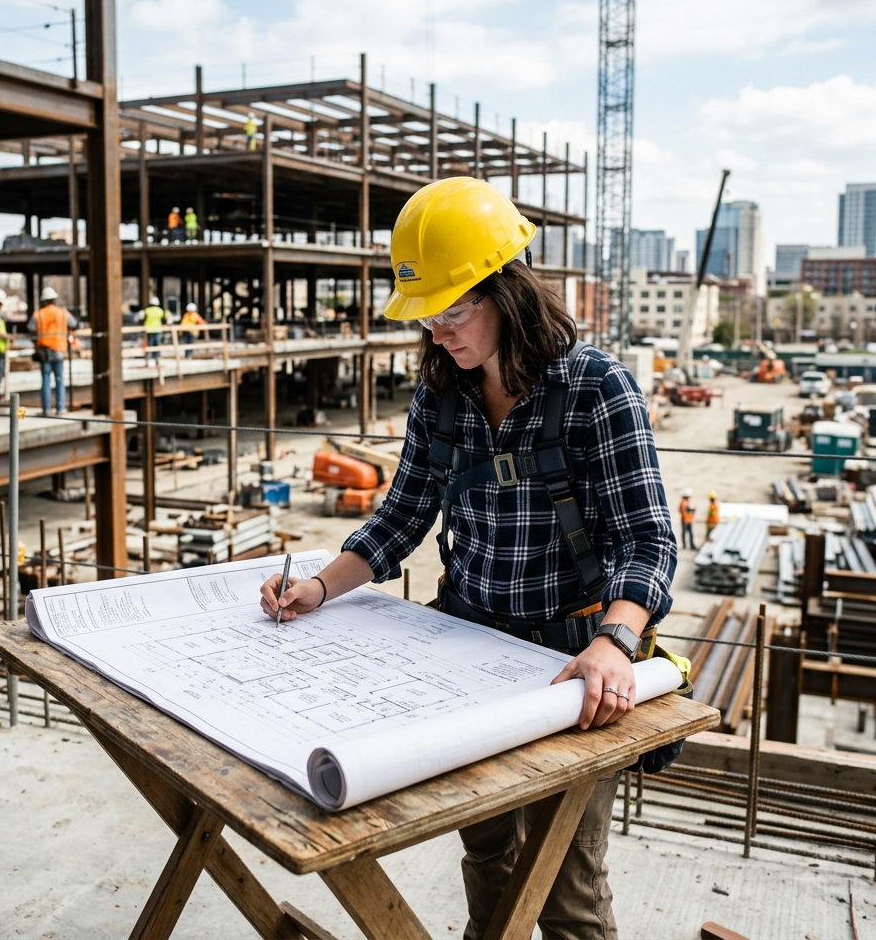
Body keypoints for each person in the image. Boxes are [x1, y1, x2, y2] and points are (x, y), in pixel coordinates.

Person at [259, 177, 676, 940]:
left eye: (454, 311)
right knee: (487, 855)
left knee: (565, 890)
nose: (440, 334)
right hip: (468, 653)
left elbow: (647, 539)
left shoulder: (595, 389)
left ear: (507, 293)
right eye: (428, 319)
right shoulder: (441, 395)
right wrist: (320, 587)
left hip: (571, 666)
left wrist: (615, 644)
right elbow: (402, 516)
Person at [28, 285, 77, 415]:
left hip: (44, 350)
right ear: (54, 299)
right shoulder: (63, 313)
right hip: (59, 350)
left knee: (45, 379)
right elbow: (74, 324)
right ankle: (61, 408)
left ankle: (47, 409)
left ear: (43, 301)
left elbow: (31, 331)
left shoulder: (38, 314)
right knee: (60, 379)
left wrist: (36, 343)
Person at [138, 295, 167, 366]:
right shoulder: (160, 311)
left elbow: (142, 320)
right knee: (157, 345)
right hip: (158, 330)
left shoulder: (147, 311)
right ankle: (157, 360)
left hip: (149, 330)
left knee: (149, 345)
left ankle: (147, 360)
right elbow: (164, 320)